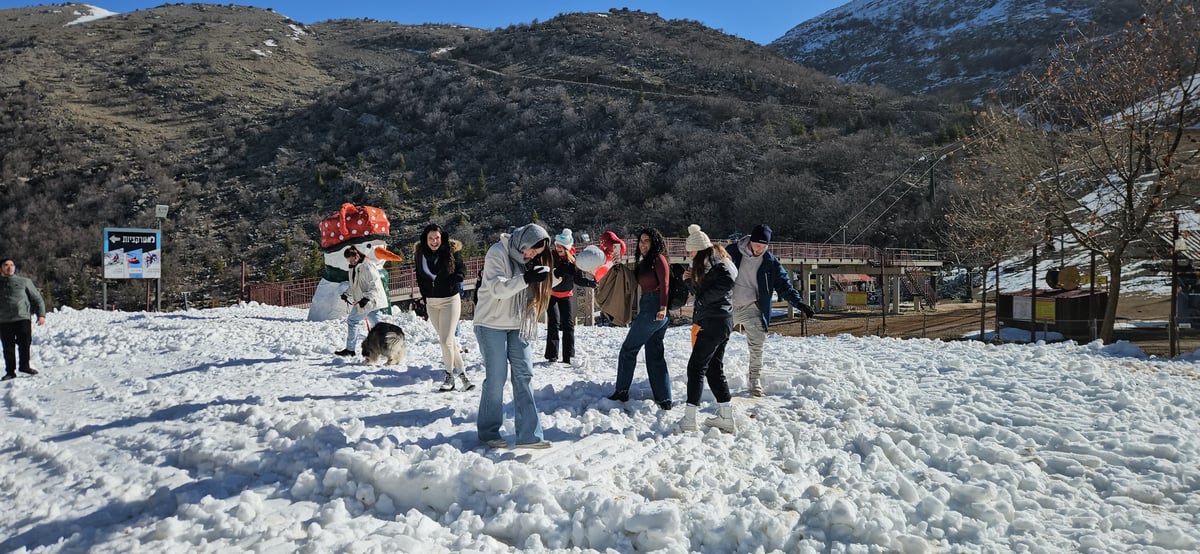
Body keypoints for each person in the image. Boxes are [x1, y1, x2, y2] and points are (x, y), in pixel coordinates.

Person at [475, 223, 555, 449]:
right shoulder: (497, 252)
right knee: (496, 378)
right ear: (523, 241)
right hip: (490, 323)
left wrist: (558, 275)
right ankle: (488, 432)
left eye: (536, 254)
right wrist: (526, 278)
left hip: (518, 323)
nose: (530, 255)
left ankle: (529, 436)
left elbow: (538, 282)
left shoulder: (528, 262)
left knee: (524, 374)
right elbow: (497, 289)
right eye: (531, 250)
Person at [727, 224, 816, 396]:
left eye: (764, 246)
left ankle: (754, 379)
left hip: (752, 307)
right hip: (729, 305)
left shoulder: (770, 262)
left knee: (757, 345)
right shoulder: (732, 251)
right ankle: (714, 375)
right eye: (757, 245)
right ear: (750, 241)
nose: (760, 249)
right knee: (716, 341)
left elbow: (784, 285)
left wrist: (799, 304)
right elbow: (713, 270)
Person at [677, 225, 738, 432]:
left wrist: (702, 300)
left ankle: (689, 419)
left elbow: (726, 282)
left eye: (691, 251)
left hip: (713, 321)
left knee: (695, 368)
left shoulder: (712, 261)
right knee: (713, 367)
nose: (690, 254)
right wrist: (689, 283)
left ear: (699, 249)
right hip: (723, 320)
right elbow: (708, 288)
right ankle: (726, 416)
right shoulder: (717, 259)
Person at [608, 227, 673, 410]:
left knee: (628, 349)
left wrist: (662, 306)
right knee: (654, 354)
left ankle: (621, 391)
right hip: (651, 307)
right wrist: (618, 265)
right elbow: (632, 279)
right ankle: (664, 398)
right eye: (641, 241)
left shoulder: (659, 259)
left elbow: (665, 283)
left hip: (654, 309)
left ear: (654, 242)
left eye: (647, 241)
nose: (643, 245)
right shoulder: (645, 263)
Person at [413, 224, 472, 391]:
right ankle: (463, 376)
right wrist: (424, 297)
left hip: (449, 300)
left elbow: (461, 269)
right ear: (425, 239)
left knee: (445, 340)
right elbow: (419, 276)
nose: (434, 241)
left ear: (442, 237)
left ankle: (449, 377)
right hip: (432, 303)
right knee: (449, 341)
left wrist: (455, 279)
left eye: (437, 238)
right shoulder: (419, 254)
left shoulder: (451, 250)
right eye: (431, 238)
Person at [545, 228, 597, 365]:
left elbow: (577, 280)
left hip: (566, 295)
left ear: (567, 248)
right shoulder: (551, 257)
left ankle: (568, 356)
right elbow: (545, 275)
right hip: (551, 295)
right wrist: (555, 272)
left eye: (561, 246)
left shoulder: (574, 261)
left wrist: (588, 283)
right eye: (556, 245)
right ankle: (552, 355)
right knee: (554, 323)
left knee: (568, 325)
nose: (558, 248)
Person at [336, 246, 388, 357]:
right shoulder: (354, 267)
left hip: (369, 301)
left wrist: (365, 299)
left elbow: (375, 286)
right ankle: (386, 347)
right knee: (378, 325)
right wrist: (346, 294)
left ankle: (350, 350)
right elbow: (355, 285)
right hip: (365, 301)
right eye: (349, 261)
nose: (351, 262)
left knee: (352, 321)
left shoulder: (367, 266)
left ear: (357, 255)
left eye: (352, 259)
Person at [1, 258, 46, 381]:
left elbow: (37, 299)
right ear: (1, 268)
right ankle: (10, 371)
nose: (9, 268)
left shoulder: (24, 281)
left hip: (22, 317)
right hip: (4, 320)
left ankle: (25, 366)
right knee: (8, 346)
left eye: (12, 265)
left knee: (25, 342)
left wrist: (41, 314)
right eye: (6, 265)